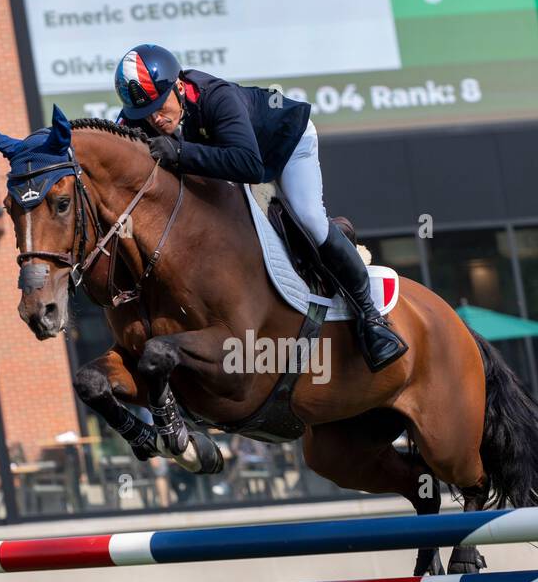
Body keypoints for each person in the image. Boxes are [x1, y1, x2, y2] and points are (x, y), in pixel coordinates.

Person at [113, 44, 407, 373]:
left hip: (285, 145)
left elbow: (249, 165)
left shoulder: (217, 97)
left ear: (178, 87)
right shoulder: (145, 115)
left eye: (159, 106)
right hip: (238, 163)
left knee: (308, 218)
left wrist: (180, 154)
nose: (155, 118)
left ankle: (372, 319)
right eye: (146, 114)